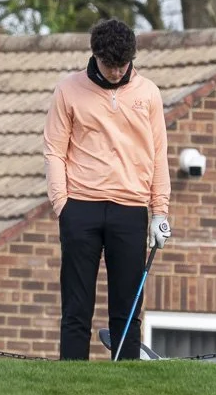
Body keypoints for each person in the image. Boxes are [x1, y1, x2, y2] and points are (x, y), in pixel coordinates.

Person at [43, 18, 170, 361]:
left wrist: (160, 212)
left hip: (130, 209)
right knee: (76, 306)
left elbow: (159, 155)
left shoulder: (148, 94)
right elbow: (54, 150)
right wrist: (62, 204)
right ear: (95, 56)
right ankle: (70, 379)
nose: (116, 72)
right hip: (80, 207)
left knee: (127, 308)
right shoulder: (69, 90)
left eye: (122, 65)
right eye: (109, 65)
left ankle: (125, 383)